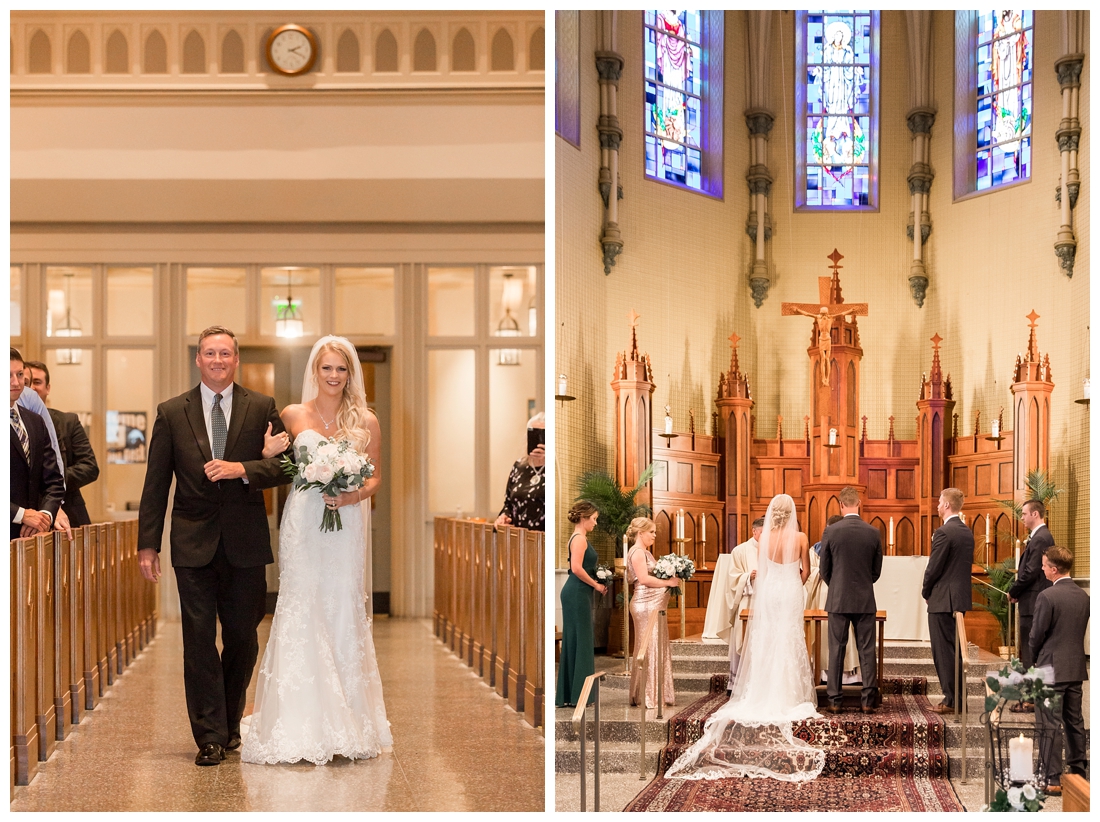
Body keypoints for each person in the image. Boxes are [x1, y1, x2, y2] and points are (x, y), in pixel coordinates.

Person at [137, 326, 292, 767]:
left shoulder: (261, 407)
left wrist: (244, 466)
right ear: (199, 359)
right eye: (210, 353)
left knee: (243, 638)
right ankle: (209, 734)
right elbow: (155, 484)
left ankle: (227, 719)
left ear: (236, 359)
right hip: (192, 543)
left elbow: (287, 466)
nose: (218, 360)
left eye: (225, 353)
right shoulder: (171, 412)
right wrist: (148, 545)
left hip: (245, 542)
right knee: (199, 639)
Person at [242, 335, 393, 765]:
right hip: (304, 520)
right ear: (315, 371)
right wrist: (267, 449)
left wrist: (350, 498)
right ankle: (298, 717)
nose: (333, 376)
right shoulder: (293, 413)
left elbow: (376, 477)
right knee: (302, 602)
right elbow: (266, 460)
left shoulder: (366, 420)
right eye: (326, 368)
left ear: (350, 374)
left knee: (340, 605)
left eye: (341, 369)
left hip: (344, 522)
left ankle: (347, 717)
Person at [666, 494, 824, 783]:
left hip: (770, 591)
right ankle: (790, 694)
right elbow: (807, 570)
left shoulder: (763, 540)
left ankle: (763, 691)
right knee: (789, 639)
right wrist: (793, 584)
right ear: (791, 514)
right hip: (789, 591)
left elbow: (762, 572)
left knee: (768, 640)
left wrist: (775, 583)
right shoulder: (801, 537)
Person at [1030, 546, 1089, 795]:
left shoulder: (1047, 596)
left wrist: (1034, 661)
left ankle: (1052, 779)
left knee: (1049, 724)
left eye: (1044, 565)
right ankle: (1079, 775)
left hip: (1050, 669)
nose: (1042, 568)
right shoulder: (1084, 596)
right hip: (1075, 667)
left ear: (1054, 570)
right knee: (1074, 722)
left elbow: (1036, 636)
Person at [818, 487, 883, 714]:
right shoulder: (873, 532)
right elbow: (876, 571)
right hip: (865, 599)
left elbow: (824, 568)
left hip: (838, 599)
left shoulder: (832, 532)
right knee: (867, 650)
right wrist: (863, 584)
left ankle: (835, 701)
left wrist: (836, 587)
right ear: (859, 503)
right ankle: (867, 701)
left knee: (837, 649)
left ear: (841, 505)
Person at [25, 360, 100, 528]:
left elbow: (90, 467)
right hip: (27, 515)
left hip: (69, 512)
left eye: (37, 382)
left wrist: (51, 482)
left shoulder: (68, 422)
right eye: (28, 383)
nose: (33, 388)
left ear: (48, 388)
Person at [921, 487, 974, 714]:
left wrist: (926, 590)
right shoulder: (966, 532)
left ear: (947, 505)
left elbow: (934, 567)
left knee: (943, 651)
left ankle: (951, 700)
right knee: (956, 651)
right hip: (959, 598)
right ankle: (959, 698)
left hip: (943, 599)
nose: (937, 505)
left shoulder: (944, 532)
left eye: (940, 501)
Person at [10, 348, 65, 541]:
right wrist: (21, 515)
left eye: (19, 374)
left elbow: (54, 480)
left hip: (32, 536)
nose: (16, 382)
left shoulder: (34, 421)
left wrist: (45, 515)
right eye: (7, 375)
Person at [555, 500, 606, 708]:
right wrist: (596, 584)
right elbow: (576, 568)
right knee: (581, 640)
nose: (595, 523)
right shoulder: (579, 539)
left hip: (578, 592)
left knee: (577, 640)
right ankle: (579, 695)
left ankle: (572, 693)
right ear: (584, 518)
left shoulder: (580, 538)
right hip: (576, 592)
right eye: (593, 519)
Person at [625, 516, 678, 709]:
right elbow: (643, 579)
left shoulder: (644, 552)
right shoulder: (638, 552)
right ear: (641, 533)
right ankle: (651, 696)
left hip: (653, 605)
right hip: (645, 605)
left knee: (654, 646)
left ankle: (654, 693)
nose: (655, 535)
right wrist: (668, 583)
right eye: (652, 532)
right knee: (650, 647)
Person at [1008, 499, 1054, 677]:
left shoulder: (1041, 537)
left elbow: (1031, 570)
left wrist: (1014, 591)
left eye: (1024, 514)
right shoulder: (1039, 536)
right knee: (1029, 649)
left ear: (1035, 514)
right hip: (1032, 598)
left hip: (1033, 600)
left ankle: (1030, 700)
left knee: (1029, 649)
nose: (1022, 518)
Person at [725, 517, 763, 688]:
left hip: (766, 603)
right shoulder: (740, 551)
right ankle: (739, 684)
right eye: (762, 533)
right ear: (754, 531)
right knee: (744, 640)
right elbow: (731, 578)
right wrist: (748, 576)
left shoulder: (774, 549)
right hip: (747, 600)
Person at [493, 412, 545, 531]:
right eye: (534, 434)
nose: (539, 440)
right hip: (518, 539)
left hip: (544, 539)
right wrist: (504, 516)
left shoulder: (554, 469)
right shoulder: (519, 466)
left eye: (543, 435)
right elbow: (508, 504)